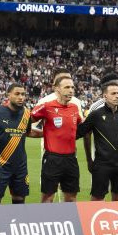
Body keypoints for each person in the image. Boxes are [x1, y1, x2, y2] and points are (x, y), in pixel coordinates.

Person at [0, 83, 40, 205]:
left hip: (20, 167)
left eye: (23, 94)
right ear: (8, 95)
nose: (21, 97)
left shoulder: (26, 113)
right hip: (0, 166)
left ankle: (16, 224)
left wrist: (49, 132)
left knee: (19, 201)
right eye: (17, 94)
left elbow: (28, 132)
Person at [77, 82, 118, 201]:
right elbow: (80, 133)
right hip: (102, 164)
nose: (117, 96)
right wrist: (89, 159)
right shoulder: (95, 115)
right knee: (97, 198)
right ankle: (93, 220)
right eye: (113, 93)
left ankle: (116, 220)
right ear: (105, 96)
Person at [31, 75, 82, 203]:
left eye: (72, 87)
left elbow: (81, 125)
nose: (71, 90)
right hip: (52, 159)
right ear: (57, 89)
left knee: (71, 198)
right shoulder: (46, 106)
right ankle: (46, 222)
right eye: (67, 87)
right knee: (47, 198)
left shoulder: (75, 108)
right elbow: (26, 120)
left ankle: (70, 222)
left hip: (71, 159)